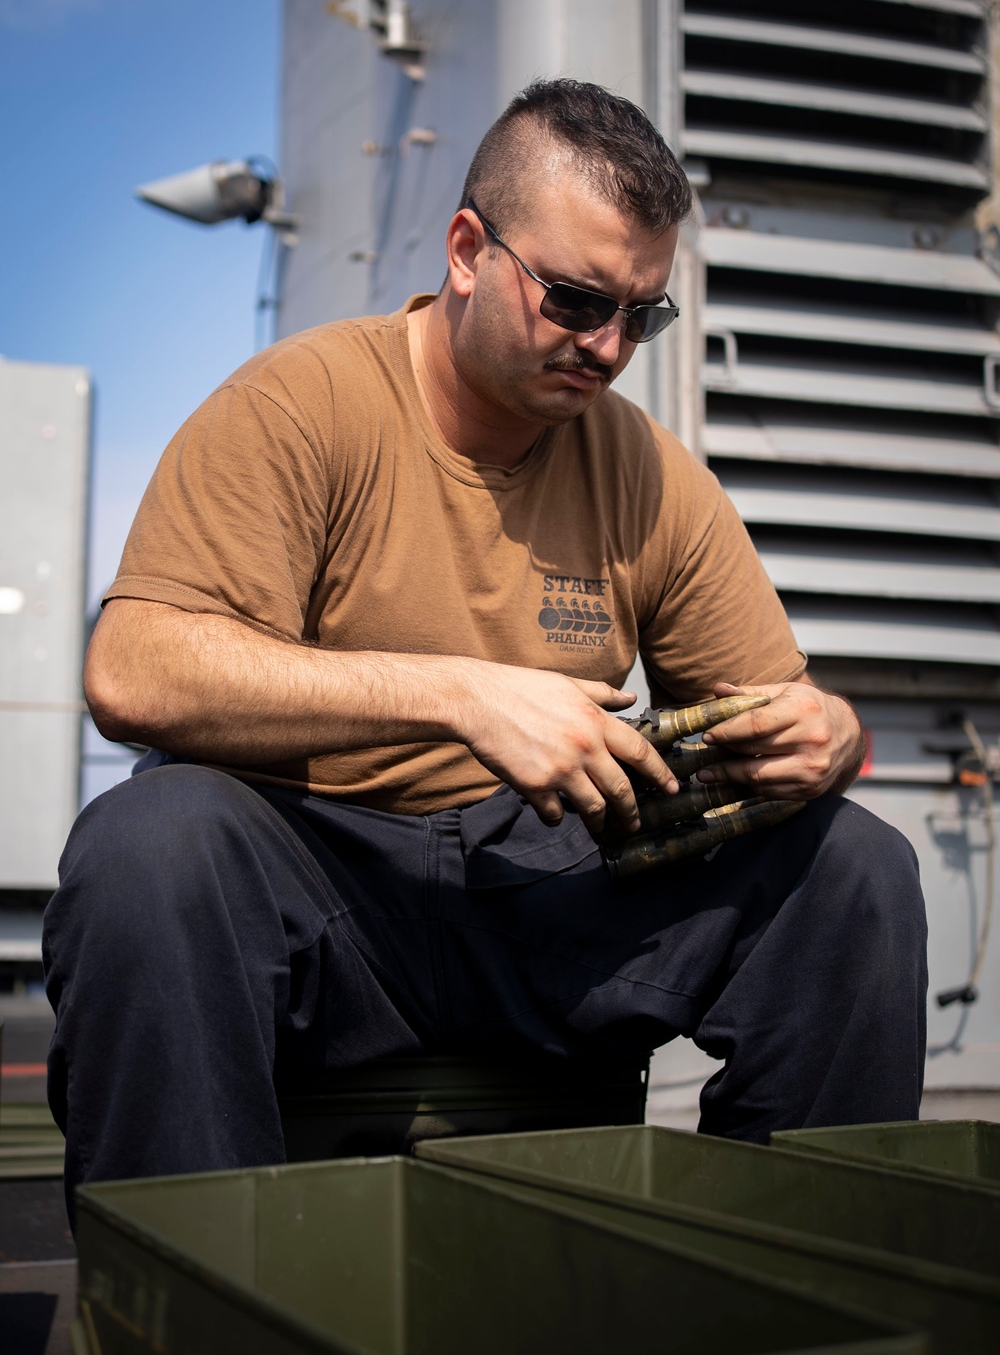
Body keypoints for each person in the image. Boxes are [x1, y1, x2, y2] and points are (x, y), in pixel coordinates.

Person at [44, 80, 927, 1206]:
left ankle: (788, 1271)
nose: (606, 347)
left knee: (853, 866)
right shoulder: (300, 405)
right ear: (467, 249)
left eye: (639, 315)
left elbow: (772, 720)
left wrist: (831, 731)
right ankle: (183, 1285)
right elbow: (135, 669)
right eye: (572, 299)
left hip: (549, 899)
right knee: (150, 845)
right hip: (323, 892)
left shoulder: (653, 476)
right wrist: (460, 694)